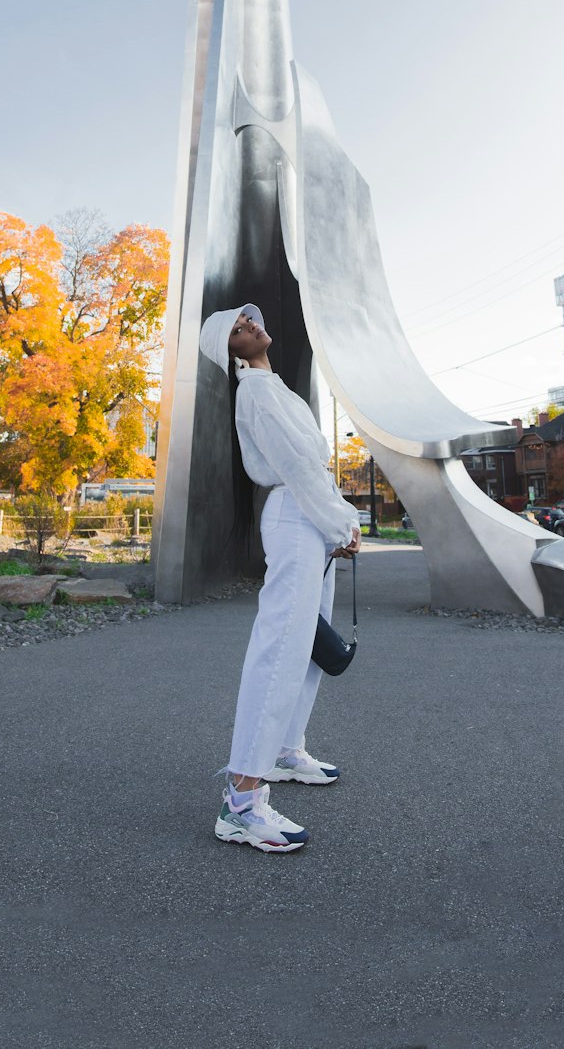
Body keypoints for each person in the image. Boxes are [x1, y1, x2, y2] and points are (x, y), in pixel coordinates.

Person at [197, 303, 361, 852]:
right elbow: (295, 467)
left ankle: (287, 750)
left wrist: (338, 520)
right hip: (297, 516)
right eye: (238, 330)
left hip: (311, 516)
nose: (249, 326)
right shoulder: (258, 394)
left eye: (249, 320)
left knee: (310, 643)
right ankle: (241, 801)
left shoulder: (276, 387)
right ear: (231, 352)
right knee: (281, 646)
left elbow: (312, 465)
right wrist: (340, 521)